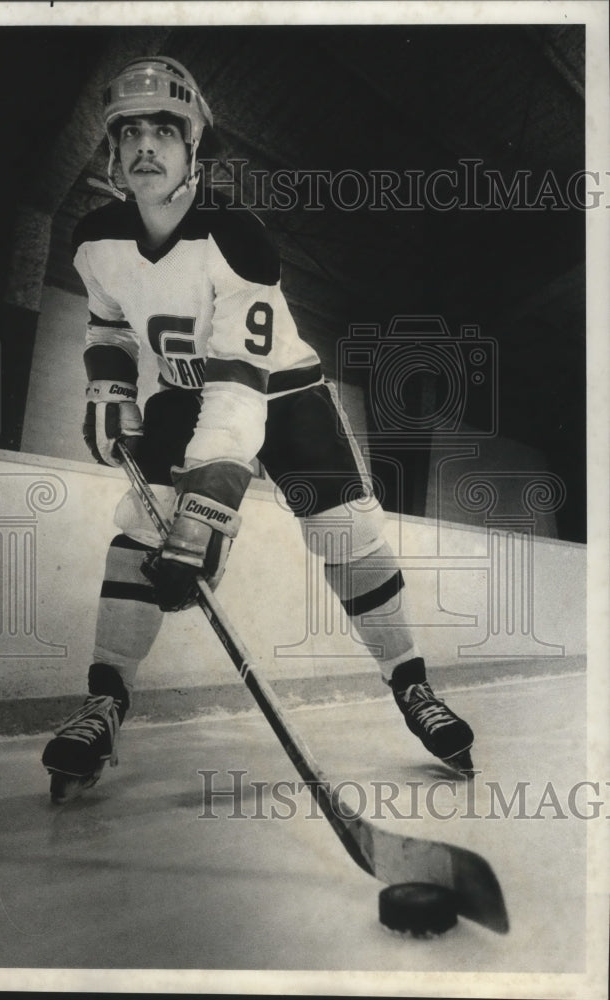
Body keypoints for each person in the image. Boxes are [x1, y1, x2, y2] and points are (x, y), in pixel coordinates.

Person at [42, 56, 474, 803]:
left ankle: (410, 686)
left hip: (281, 395)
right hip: (186, 393)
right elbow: (109, 322)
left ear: (193, 148)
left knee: (347, 539)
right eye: (130, 132)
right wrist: (109, 385)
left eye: (164, 132)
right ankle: (105, 701)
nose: (146, 146)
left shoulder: (237, 239)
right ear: (112, 151)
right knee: (140, 534)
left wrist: (207, 513)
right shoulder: (93, 240)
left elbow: (241, 392)